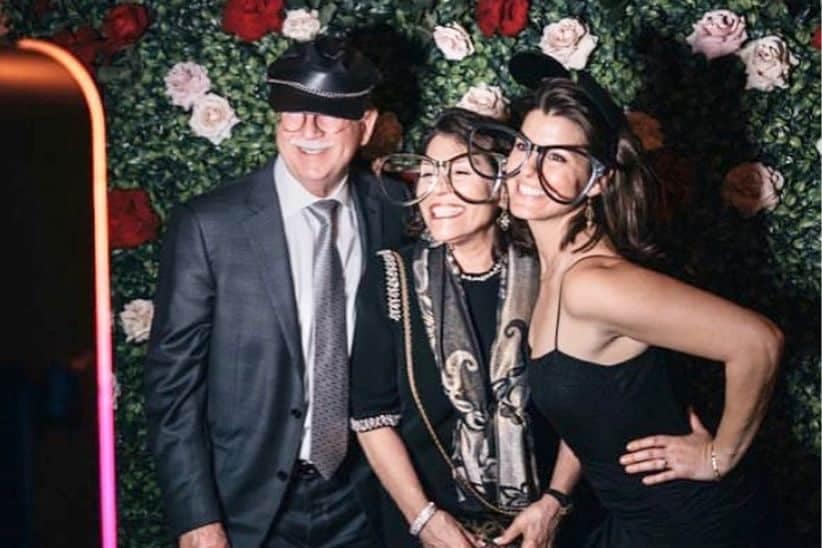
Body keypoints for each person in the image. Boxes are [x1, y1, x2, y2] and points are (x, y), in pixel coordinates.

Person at [471, 52, 784, 547]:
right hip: (634, 523)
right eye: (525, 146)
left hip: (690, 529)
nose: (527, 168)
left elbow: (758, 342)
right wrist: (554, 499)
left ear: (598, 181)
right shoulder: (556, 271)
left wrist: (718, 455)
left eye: (556, 156)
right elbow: (592, 408)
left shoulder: (595, 283)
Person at [144, 37, 409, 548]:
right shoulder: (209, 225)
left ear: (367, 125)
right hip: (247, 508)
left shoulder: (392, 207)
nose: (309, 130)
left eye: (329, 114)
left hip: (366, 501)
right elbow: (172, 388)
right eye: (293, 113)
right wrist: (197, 518)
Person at [350, 108, 572, 548]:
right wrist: (426, 522)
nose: (438, 190)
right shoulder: (390, 275)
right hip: (429, 526)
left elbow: (588, 406)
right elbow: (371, 418)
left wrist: (554, 503)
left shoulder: (555, 275)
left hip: (546, 528)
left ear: (502, 187)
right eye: (428, 173)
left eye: (463, 172)